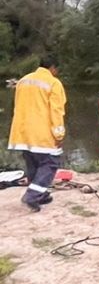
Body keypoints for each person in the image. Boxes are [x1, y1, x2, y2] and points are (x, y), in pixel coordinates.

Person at [7, 55, 66, 212]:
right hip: (41, 132)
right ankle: (33, 195)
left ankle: (42, 194)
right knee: (50, 163)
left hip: (21, 131)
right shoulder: (54, 83)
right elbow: (56, 111)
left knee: (33, 163)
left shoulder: (24, 80)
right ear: (53, 68)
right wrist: (59, 134)